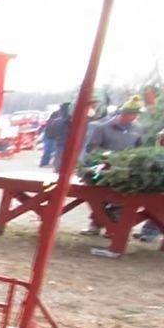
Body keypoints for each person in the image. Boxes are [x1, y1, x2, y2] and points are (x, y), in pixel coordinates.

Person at [80, 96, 144, 237]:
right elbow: (92, 147)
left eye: (136, 115)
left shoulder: (137, 130)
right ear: (123, 114)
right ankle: (95, 224)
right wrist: (109, 156)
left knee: (122, 197)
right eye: (131, 114)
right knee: (97, 195)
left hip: (124, 171)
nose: (133, 117)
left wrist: (133, 159)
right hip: (102, 169)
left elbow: (140, 148)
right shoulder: (103, 128)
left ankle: (113, 226)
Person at [39, 102, 71, 169]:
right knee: (51, 150)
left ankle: (47, 163)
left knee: (53, 151)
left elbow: (51, 124)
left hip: (53, 135)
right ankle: (46, 164)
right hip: (54, 135)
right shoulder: (61, 115)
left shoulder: (57, 114)